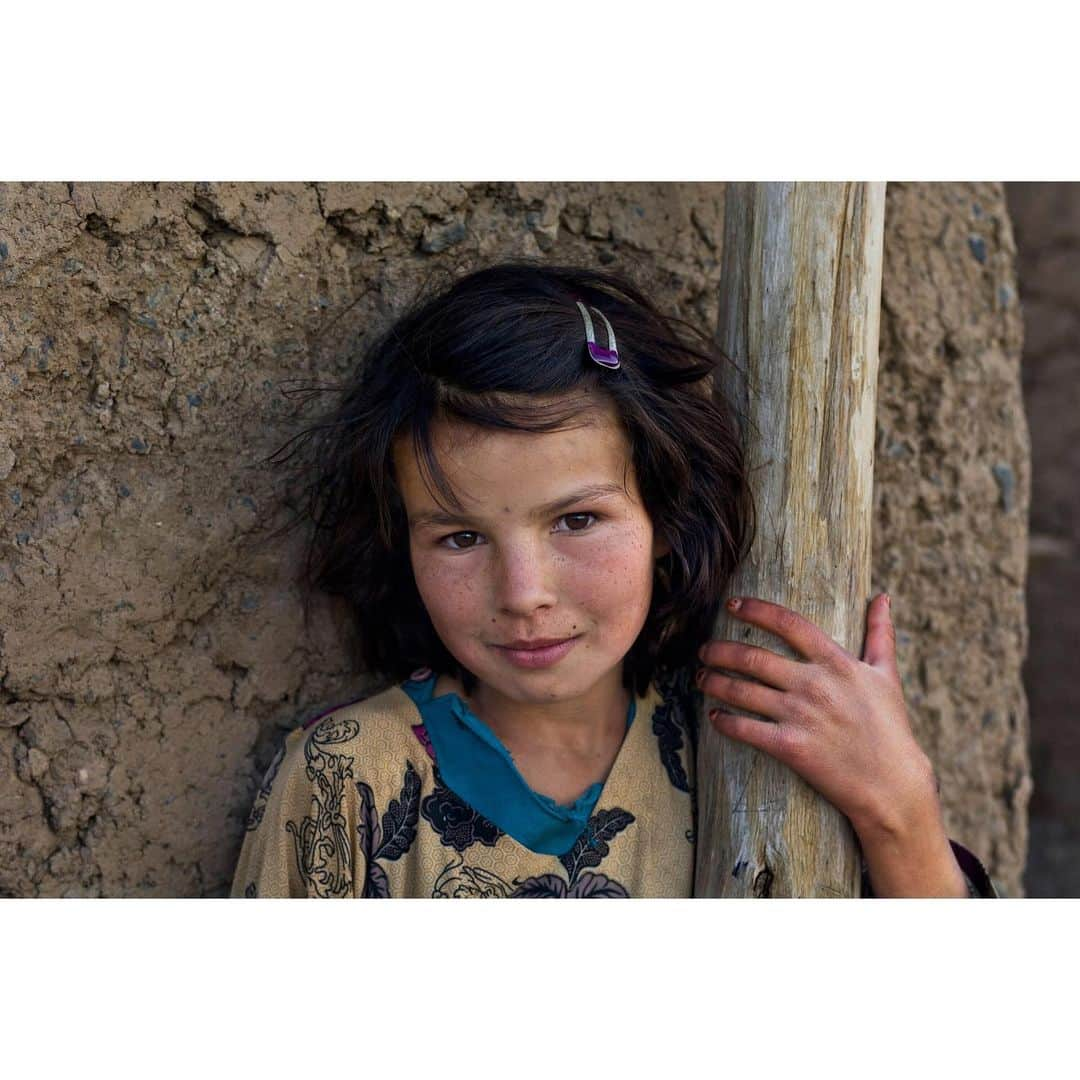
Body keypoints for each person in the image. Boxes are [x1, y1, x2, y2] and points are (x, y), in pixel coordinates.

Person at [230, 260, 997, 899]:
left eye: (576, 521)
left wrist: (899, 805)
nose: (523, 592)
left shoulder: (753, 751)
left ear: (665, 516)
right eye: (461, 537)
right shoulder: (347, 777)